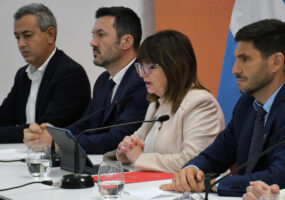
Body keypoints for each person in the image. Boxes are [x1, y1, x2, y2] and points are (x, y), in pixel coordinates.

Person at [160, 19, 285, 196]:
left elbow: (281, 177)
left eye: (245, 59)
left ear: (276, 62)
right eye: (236, 59)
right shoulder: (247, 104)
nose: (235, 69)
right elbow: (216, 154)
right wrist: (191, 171)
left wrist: (213, 184)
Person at [23, 7, 148, 154]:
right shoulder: (103, 81)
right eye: (93, 35)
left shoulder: (143, 80)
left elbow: (118, 139)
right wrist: (51, 134)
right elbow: (85, 125)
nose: (93, 42)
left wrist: (58, 142)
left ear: (126, 41)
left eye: (101, 35)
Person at [115, 30, 225, 173]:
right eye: (141, 66)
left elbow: (193, 162)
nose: (142, 74)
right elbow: (136, 141)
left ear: (173, 66)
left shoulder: (201, 103)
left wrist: (139, 158)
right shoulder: (156, 104)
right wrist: (125, 151)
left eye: (150, 67)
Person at [0, 3, 91, 143]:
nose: (21, 44)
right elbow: (5, 117)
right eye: (17, 37)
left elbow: (44, 129)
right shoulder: (22, 75)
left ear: (50, 34)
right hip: (26, 156)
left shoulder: (71, 74)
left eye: (27, 36)